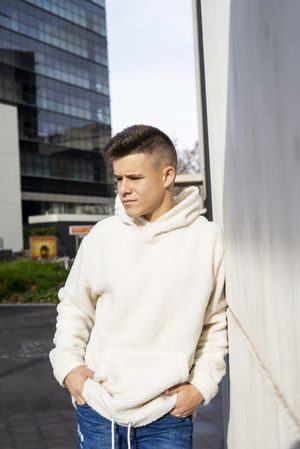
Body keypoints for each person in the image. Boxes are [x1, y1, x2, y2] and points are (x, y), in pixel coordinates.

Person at [49, 124, 228, 449]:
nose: (124, 189)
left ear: (167, 175)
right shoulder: (103, 236)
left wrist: (201, 386)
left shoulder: (207, 240)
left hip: (168, 417)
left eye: (134, 178)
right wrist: (69, 367)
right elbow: (74, 306)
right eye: (119, 179)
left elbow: (216, 324)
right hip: (98, 409)